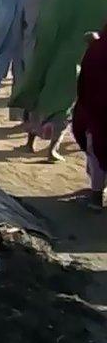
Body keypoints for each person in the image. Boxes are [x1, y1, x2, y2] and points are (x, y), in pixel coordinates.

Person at [11, 0, 107, 162]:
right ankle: (52, 149)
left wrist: (42, 48)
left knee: (42, 94)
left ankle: (30, 143)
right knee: (66, 102)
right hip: (85, 56)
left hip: (54, 52)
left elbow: (47, 22)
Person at [13, 0, 66, 121]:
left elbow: (27, 15)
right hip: (51, 46)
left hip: (32, 42)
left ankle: (28, 118)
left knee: (31, 79)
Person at [73, 27, 107, 209]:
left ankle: (96, 196)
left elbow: (87, 83)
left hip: (99, 112)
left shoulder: (99, 50)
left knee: (96, 147)